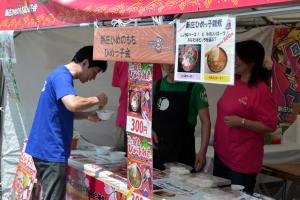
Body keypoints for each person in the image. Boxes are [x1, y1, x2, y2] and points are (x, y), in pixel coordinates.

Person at [25, 46, 108, 200]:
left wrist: (87, 115)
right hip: (51, 150)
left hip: (45, 148)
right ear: (85, 63)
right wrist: (97, 99)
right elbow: (72, 104)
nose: (93, 77)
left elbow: (62, 110)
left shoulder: (61, 76)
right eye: (95, 72)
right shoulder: (62, 76)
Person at [213, 40, 278, 194]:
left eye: (238, 57)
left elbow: (270, 125)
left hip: (242, 161)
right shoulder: (233, 82)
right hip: (222, 154)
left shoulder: (260, 90)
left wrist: (242, 122)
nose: (234, 61)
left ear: (251, 62)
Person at [152, 64, 211, 171]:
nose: (171, 67)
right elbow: (143, 116)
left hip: (183, 154)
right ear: (162, 65)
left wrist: (202, 151)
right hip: (157, 153)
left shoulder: (196, 88)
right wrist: (148, 131)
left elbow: (206, 122)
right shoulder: (155, 86)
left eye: (175, 63)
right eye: (168, 64)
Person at [112, 62, 162, 152]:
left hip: (144, 122)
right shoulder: (120, 59)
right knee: (118, 160)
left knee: (140, 162)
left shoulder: (154, 61)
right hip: (123, 119)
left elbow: (157, 88)